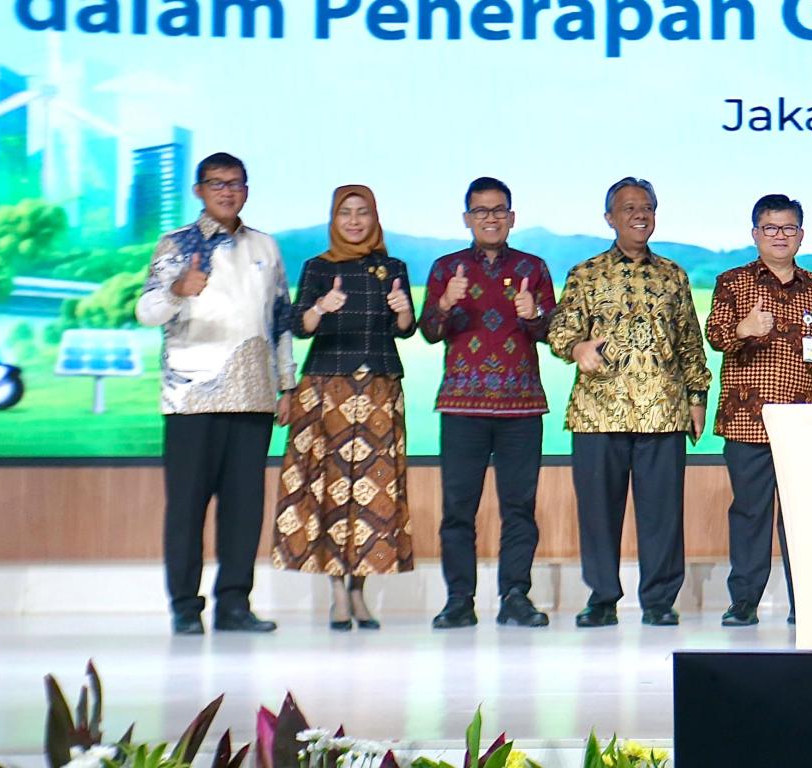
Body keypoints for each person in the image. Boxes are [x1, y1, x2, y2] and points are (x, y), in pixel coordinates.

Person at [135, 152, 293, 635]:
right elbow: (146, 311)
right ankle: (185, 607)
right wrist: (178, 289)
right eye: (217, 183)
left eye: (235, 183)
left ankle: (234, 605)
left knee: (244, 510)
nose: (227, 191)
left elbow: (281, 318)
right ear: (199, 191)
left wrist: (286, 383)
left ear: (246, 190)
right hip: (191, 398)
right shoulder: (176, 244)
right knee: (186, 508)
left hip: (253, 396)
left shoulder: (265, 246)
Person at [548, 177, 711, 628]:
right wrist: (577, 348)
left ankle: (659, 600)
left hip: (663, 410)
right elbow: (560, 331)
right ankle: (602, 598)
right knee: (598, 513)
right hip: (599, 411)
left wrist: (697, 397)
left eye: (647, 207)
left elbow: (690, 343)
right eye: (629, 208)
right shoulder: (586, 273)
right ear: (610, 218)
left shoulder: (673, 275)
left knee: (663, 514)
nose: (640, 215)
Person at [273, 184, 417, 631]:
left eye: (362, 212)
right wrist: (321, 306)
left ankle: (360, 591)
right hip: (327, 389)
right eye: (345, 213)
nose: (354, 221)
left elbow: (404, 329)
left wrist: (404, 310)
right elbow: (300, 326)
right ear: (333, 219)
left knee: (375, 490)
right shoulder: (318, 267)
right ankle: (338, 592)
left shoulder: (393, 267)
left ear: (375, 218)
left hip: (379, 388)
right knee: (331, 488)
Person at [705, 194, 812, 626]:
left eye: (788, 228)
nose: (780, 236)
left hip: (806, 424)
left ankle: (806, 602)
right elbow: (716, 335)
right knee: (750, 513)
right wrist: (743, 329)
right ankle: (744, 602)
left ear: (801, 235)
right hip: (749, 420)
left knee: (803, 516)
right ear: (755, 234)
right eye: (770, 228)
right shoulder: (733, 282)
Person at [420, 177, 555, 630]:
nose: (490, 218)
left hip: (522, 407)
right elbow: (429, 331)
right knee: (458, 509)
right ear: (467, 218)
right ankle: (459, 599)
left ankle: (515, 596)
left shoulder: (533, 267)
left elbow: (552, 333)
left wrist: (533, 314)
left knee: (519, 507)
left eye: (499, 210)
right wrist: (445, 303)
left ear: (512, 217)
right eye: (481, 211)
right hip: (462, 407)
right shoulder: (447, 268)